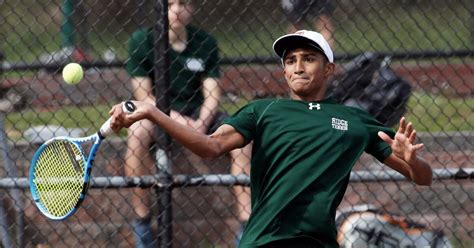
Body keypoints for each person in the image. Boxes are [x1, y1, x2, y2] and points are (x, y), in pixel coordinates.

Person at [112, 30, 432, 247]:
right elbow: (209, 146)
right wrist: (153, 112)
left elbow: (423, 179)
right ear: (284, 73)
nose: (298, 67)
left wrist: (413, 160)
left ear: (330, 68)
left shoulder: (355, 120)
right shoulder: (262, 112)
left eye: (309, 58)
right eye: (290, 61)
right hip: (263, 241)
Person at [124, 0, 251, 246]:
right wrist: (176, 120)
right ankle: (142, 222)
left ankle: (246, 224)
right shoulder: (142, 40)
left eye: (184, 3)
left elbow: (212, 93)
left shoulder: (205, 42)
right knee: (137, 131)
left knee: (243, 135)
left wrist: (202, 123)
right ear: (161, 8)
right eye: (171, 3)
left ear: (192, 8)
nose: (177, 9)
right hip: (158, 113)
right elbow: (143, 95)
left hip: (198, 113)